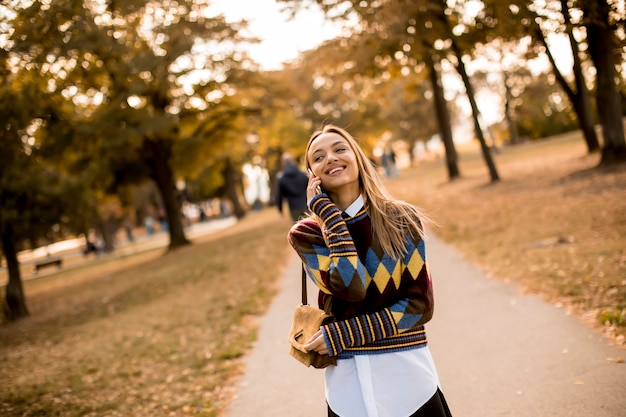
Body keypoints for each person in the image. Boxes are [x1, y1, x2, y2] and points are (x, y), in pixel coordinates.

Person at [288, 125, 452, 417]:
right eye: (318, 156)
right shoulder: (307, 234)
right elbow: (352, 287)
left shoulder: (402, 218)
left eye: (340, 149)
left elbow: (420, 306)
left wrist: (343, 335)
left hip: (408, 376)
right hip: (348, 385)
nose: (331, 159)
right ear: (312, 174)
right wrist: (330, 217)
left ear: (357, 158)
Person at [276, 152, 309, 222]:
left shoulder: (282, 178)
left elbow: (280, 196)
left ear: (283, 163)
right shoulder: (302, 175)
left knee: (299, 228)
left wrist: (280, 209)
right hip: (306, 204)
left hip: (294, 207)